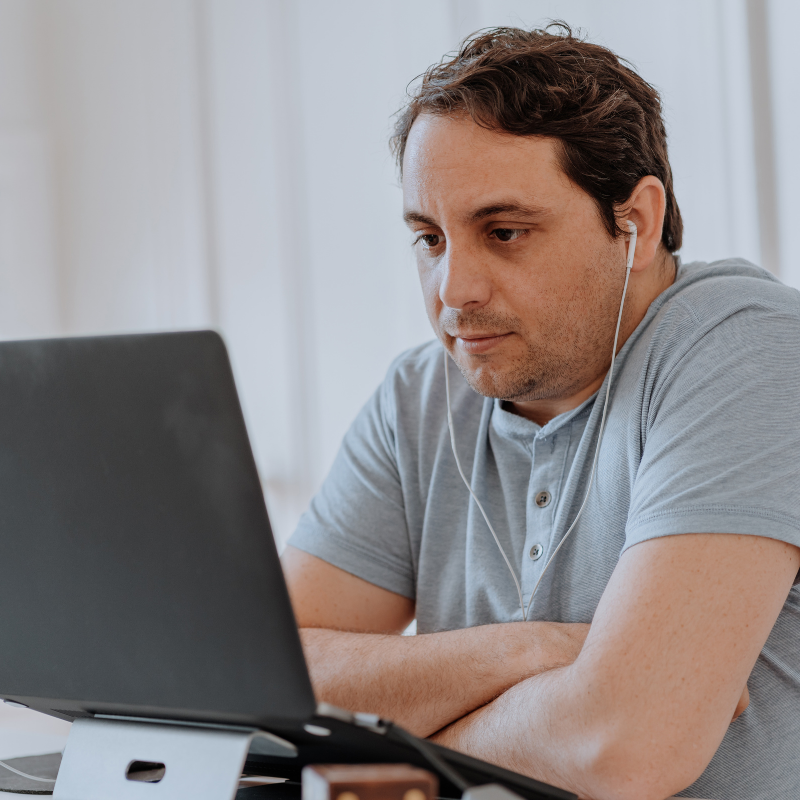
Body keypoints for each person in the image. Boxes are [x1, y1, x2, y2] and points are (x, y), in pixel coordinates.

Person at [281, 24, 800, 800]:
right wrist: (531, 652)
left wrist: (407, 754)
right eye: (429, 238)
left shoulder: (746, 346)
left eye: (505, 232)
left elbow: (623, 747)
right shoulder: (419, 395)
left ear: (636, 221)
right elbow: (270, 680)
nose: (454, 292)